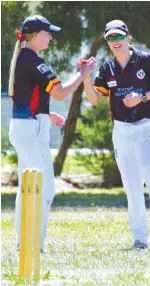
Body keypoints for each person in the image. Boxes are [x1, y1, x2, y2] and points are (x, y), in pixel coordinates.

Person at [82, 20, 150, 249]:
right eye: (110, 38)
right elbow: (94, 99)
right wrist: (85, 76)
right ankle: (140, 238)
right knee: (131, 184)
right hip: (122, 129)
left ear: (128, 36)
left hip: (148, 125)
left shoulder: (146, 60)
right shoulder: (107, 68)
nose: (115, 42)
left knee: (148, 167)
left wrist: (142, 96)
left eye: (118, 37)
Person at [8, 15, 96, 252]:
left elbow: (30, 96)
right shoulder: (34, 61)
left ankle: (29, 243)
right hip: (28, 130)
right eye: (47, 33)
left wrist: (46, 115)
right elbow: (60, 92)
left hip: (30, 127)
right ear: (35, 35)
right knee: (39, 188)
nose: (50, 36)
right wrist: (83, 72)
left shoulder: (27, 58)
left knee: (35, 189)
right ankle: (31, 245)